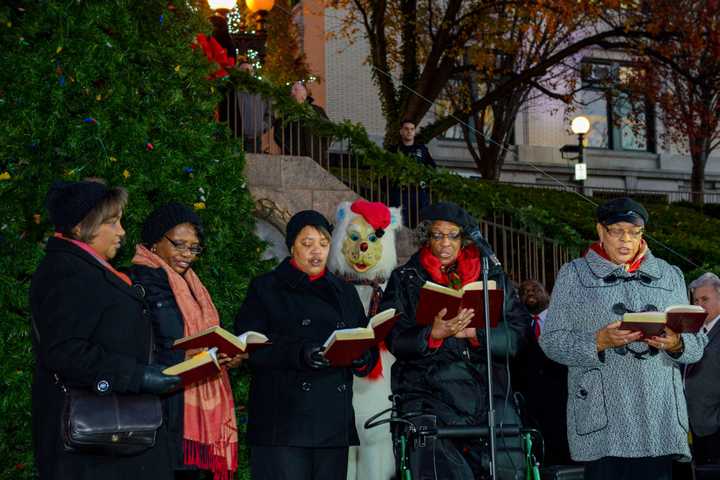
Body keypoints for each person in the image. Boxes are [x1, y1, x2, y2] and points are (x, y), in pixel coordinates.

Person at [539, 197, 708, 480]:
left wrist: (677, 344)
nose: (626, 240)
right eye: (617, 231)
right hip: (604, 416)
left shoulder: (669, 275)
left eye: (634, 232)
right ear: (601, 231)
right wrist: (599, 342)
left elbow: (697, 344)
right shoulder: (574, 275)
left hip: (659, 414)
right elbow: (551, 340)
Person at [30, 180, 180, 480]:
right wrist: (136, 376)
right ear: (80, 226)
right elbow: (65, 352)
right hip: (93, 448)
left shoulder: (89, 268)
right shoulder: (66, 272)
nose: (122, 231)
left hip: (115, 439)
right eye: (112, 222)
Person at [380, 201, 530, 479]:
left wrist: (477, 334)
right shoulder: (405, 278)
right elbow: (392, 337)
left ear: (465, 238)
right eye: (437, 235)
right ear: (426, 238)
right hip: (429, 395)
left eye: (453, 235)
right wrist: (432, 334)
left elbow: (519, 335)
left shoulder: (491, 275)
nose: (445, 243)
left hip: (490, 395)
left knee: (510, 467)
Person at [234, 210, 377, 480]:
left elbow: (364, 337)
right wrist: (299, 353)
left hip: (332, 423)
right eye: (307, 243)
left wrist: (362, 358)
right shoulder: (265, 288)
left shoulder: (344, 291)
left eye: (323, 244)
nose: (316, 252)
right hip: (283, 423)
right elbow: (250, 346)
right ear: (291, 246)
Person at [129, 203, 242, 480]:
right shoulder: (135, 281)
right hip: (162, 408)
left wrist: (226, 356)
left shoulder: (193, 285)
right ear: (154, 242)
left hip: (192, 411)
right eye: (179, 245)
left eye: (194, 248)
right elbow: (137, 347)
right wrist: (189, 360)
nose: (187, 255)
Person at [326, 199, 403, 480]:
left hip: (379, 381)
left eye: (372, 239)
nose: (362, 248)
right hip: (339, 383)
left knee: (377, 443)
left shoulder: (392, 289)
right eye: (355, 238)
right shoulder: (331, 288)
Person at [513, 280, 572, 466]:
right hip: (532, 402)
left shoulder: (563, 319)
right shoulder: (518, 327)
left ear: (547, 294)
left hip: (563, 395)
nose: (530, 293)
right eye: (524, 291)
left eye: (535, 289)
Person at [685, 272, 720, 465]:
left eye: (705, 299)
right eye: (696, 300)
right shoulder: (690, 331)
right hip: (691, 429)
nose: (699, 305)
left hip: (714, 428)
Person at [389, 121, 436, 227]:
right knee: (399, 224)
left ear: (414, 132)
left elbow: (432, 168)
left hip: (418, 193)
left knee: (421, 224)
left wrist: (424, 179)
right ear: (401, 131)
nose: (409, 132)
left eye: (412, 129)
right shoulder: (393, 150)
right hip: (399, 192)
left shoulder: (422, 150)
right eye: (406, 129)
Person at [272, 81, 330, 161]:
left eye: (295, 90)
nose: (292, 92)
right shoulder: (286, 111)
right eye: (291, 90)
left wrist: (322, 148)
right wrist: (289, 149)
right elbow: (278, 133)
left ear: (304, 93)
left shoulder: (317, 111)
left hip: (316, 156)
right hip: (293, 156)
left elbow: (328, 130)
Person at [228, 61, 269, 153]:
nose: (247, 73)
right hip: (234, 138)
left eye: (250, 71)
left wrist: (262, 127)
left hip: (255, 140)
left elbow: (270, 113)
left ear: (253, 73)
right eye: (243, 70)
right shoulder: (231, 89)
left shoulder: (261, 91)